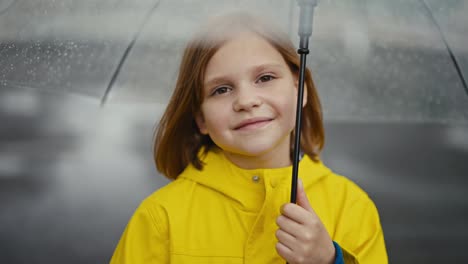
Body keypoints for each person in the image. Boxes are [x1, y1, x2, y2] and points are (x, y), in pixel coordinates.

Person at [110, 12, 387, 264]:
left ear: (299, 89)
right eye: (221, 89)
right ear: (201, 119)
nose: (246, 100)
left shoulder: (350, 206)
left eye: (265, 78)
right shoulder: (161, 217)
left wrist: (328, 260)